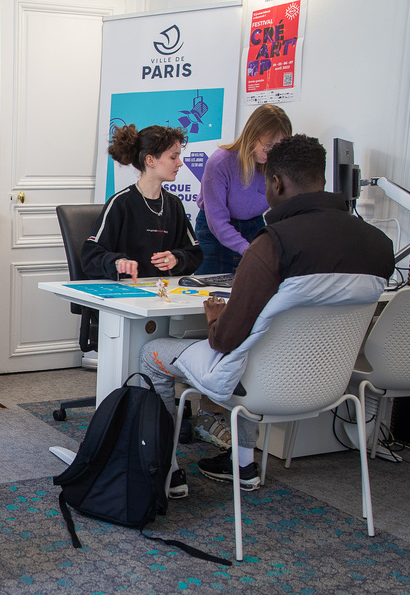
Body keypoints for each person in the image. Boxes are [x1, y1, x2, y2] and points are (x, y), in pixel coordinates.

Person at [139, 134, 394, 499]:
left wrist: (215, 317)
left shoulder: (272, 244)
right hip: (327, 384)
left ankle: (165, 469)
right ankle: (243, 465)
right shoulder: (379, 245)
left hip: (258, 385)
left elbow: (224, 341)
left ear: (276, 183)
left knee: (151, 354)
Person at [82, 124, 203, 282]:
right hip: (126, 296)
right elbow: (91, 255)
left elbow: (194, 253)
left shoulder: (174, 204)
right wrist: (118, 263)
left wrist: (176, 259)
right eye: (173, 157)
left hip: (164, 294)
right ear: (150, 160)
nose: (179, 163)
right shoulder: (121, 203)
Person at [196, 104, 291, 274]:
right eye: (267, 145)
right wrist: (249, 250)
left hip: (253, 227)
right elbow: (217, 221)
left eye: (276, 149)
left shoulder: (276, 166)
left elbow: (284, 210)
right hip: (214, 231)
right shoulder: (220, 163)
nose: (269, 154)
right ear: (252, 134)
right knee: (209, 289)